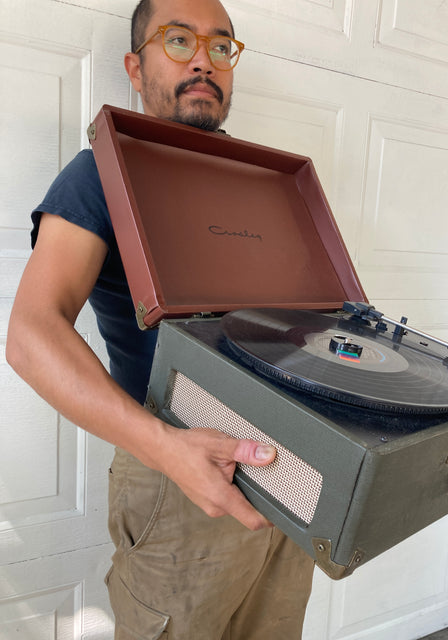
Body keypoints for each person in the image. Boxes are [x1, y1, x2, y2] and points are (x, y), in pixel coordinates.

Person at [6, 0, 315, 638]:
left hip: (292, 475)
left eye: (221, 46)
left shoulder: (267, 184)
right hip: (176, 484)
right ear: (135, 66)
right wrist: (166, 448)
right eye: (178, 40)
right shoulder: (99, 174)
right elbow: (31, 334)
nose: (204, 59)